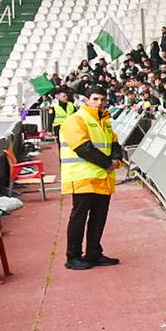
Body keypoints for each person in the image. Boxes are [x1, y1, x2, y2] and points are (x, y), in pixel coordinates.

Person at [60, 83, 123, 270]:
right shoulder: (76, 120)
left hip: (102, 177)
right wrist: (109, 163)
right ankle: (73, 256)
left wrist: (116, 159)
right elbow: (83, 148)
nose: (99, 102)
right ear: (87, 100)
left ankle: (94, 253)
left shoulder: (105, 121)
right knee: (79, 217)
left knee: (99, 217)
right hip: (82, 177)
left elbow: (115, 144)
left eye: (102, 99)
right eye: (95, 99)